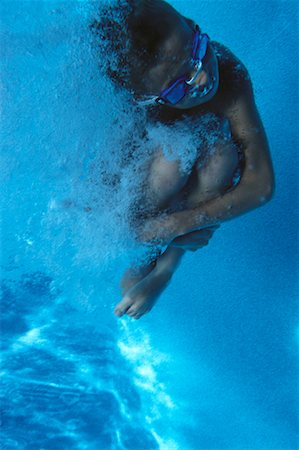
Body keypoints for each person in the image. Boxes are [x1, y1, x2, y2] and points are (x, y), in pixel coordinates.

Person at [93, 0, 275, 320]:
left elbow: (261, 183)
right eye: (181, 87)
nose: (203, 76)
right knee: (171, 162)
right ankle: (144, 256)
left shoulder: (227, 71)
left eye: (199, 48)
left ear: (191, 24)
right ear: (148, 97)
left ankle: (165, 268)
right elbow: (111, 192)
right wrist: (142, 232)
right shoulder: (133, 105)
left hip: (191, 200)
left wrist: (181, 226)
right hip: (147, 194)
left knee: (222, 155)